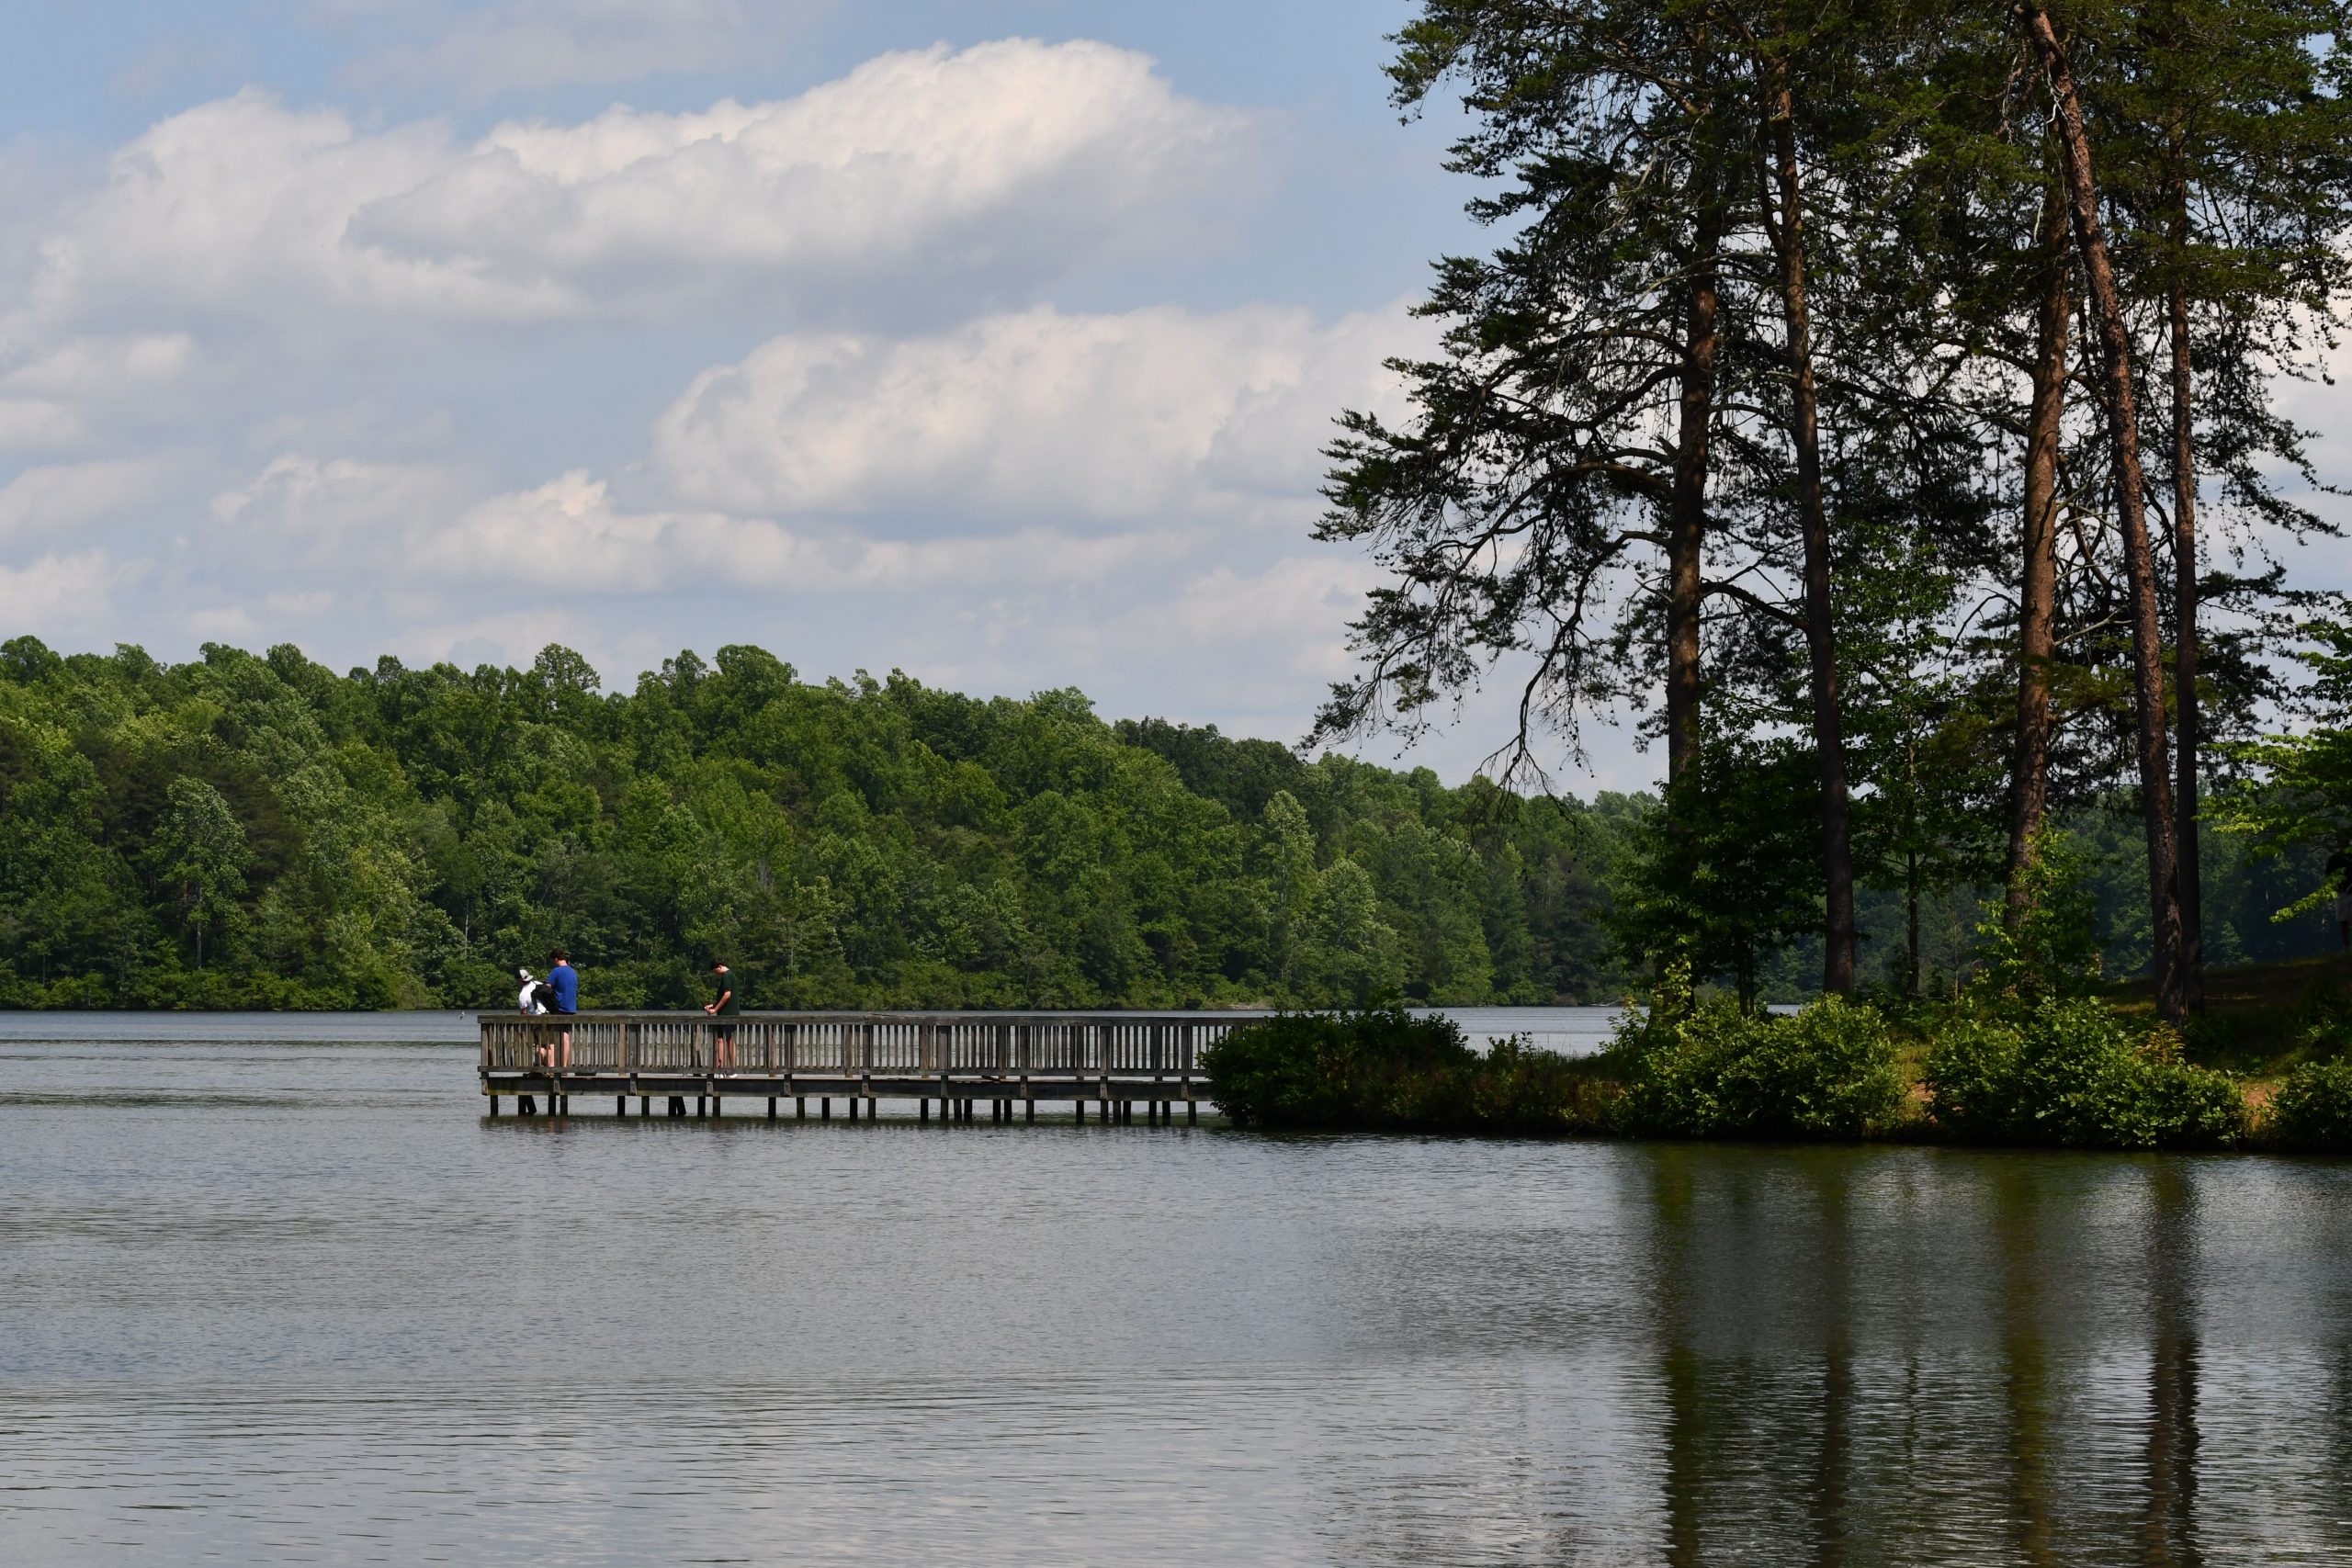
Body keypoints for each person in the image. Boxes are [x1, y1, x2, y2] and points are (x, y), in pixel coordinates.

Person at [704, 960, 739, 1072]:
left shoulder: (727, 976)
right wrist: (713, 1005)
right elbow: (722, 998)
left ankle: (732, 1068)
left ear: (719, 967)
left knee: (729, 1039)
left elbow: (727, 995)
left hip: (728, 1014)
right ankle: (721, 1065)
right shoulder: (729, 976)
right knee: (720, 1039)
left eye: (715, 971)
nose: (715, 974)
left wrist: (715, 1009)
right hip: (723, 1013)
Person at [547, 949, 578, 1070]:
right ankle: (564, 1065)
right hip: (571, 1007)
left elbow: (548, 987)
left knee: (555, 1036)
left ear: (555, 959)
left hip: (559, 1007)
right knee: (566, 1036)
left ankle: (553, 1064)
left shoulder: (556, 971)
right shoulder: (573, 971)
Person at [2330, 849, 2352, 953]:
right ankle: (2346, 947)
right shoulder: (2335, 859)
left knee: (2344, 921)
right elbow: (2329, 876)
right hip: (2342, 893)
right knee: (2343, 920)